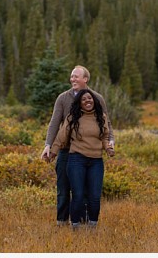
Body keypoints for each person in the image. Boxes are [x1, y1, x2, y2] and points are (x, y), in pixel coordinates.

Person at [40, 66, 114, 225]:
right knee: (63, 189)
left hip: (88, 152)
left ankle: (82, 220)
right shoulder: (63, 98)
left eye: (76, 77)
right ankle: (62, 221)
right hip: (66, 151)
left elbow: (105, 122)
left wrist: (110, 142)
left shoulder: (96, 98)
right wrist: (48, 145)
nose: (72, 79)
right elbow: (54, 123)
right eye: (71, 77)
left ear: (85, 79)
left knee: (85, 191)